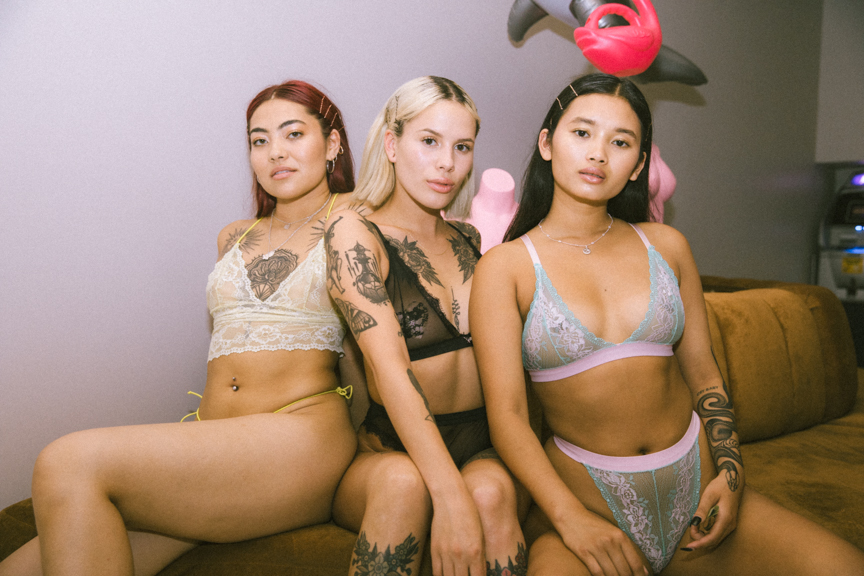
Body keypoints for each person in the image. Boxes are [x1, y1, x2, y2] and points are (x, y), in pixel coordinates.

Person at [470, 72, 864, 576]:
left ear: (638, 165)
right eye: (582, 133)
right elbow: (507, 417)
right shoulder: (504, 267)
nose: (598, 154)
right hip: (588, 507)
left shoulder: (667, 246)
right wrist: (571, 520)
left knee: (843, 565)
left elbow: (705, 376)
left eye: (621, 142)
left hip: (697, 493)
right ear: (547, 143)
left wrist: (732, 476)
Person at [0, 80, 363, 576]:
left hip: (301, 439)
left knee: (67, 460)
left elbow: (379, 340)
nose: (275, 152)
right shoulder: (234, 236)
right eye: (259, 140)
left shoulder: (360, 219)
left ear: (333, 143)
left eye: (293, 134)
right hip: (220, 439)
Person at [324, 76, 529, 576]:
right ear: (392, 145)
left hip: (481, 444)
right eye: (430, 141)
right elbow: (390, 368)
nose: (447, 163)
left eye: (462, 147)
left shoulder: (472, 239)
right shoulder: (354, 233)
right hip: (394, 449)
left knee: (490, 494)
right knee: (404, 486)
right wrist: (449, 495)